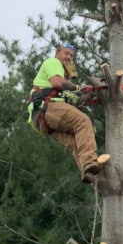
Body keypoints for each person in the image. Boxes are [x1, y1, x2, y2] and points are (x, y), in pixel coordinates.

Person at [28, 43, 101, 183]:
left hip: (43, 122)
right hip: (47, 108)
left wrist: (92, 93)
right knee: (83, 122)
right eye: (66, 53)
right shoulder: (53, 63)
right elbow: (56, 82)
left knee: (75, 142)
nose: (69, 57)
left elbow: (79, 101)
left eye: (71, 56)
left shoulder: (66, 85)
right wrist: (80, 87)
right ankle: (89, 162)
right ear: (57, 54)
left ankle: (90, 175)